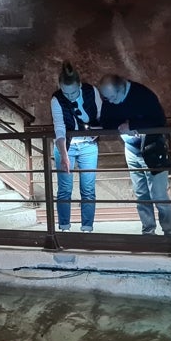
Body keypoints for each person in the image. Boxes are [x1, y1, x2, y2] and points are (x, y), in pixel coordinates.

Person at [98, 73, 171, 236]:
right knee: (141, 194)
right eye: (106, 98)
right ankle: (148, 231)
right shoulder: (110, 100)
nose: (110, 101)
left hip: (153, 148)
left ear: (121, 87)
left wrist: (132, 124)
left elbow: (159, 119)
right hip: (131, 149)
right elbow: (105, 120)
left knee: (159, 194)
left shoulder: (142, 95)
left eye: (112, 97)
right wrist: (122, 125)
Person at [49, 62, 102, 232]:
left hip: (89, 145)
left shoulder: (91, 91)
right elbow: (59, 128)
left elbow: (101, 115)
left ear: (79, 85)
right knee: (64, 188)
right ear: (60, 88)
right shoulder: (57, 99)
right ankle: (64, 227)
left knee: (88, 188)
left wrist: (98, 131)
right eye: (66, 92)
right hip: (66, 146)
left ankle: (87, 228)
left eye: (73, 92)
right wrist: (64, 155)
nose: (70, 96)